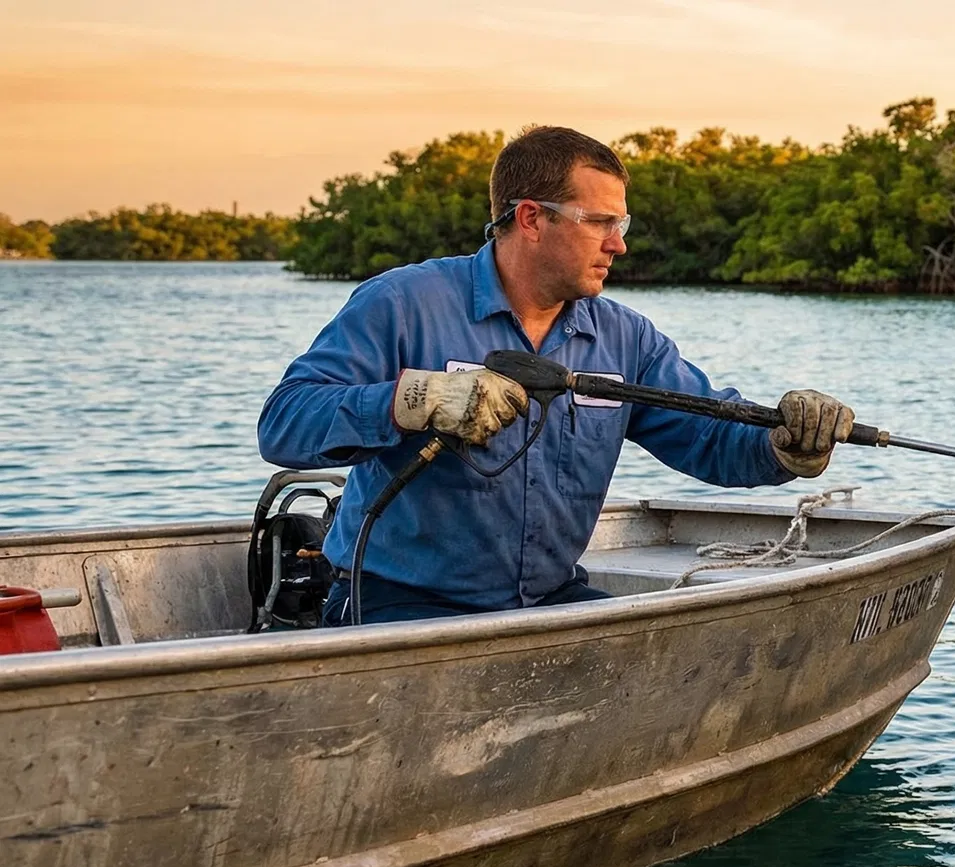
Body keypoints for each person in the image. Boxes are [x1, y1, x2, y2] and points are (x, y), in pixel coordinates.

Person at [258, 125, 853, 625]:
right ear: (531, 219)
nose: (618, 245)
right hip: (396, 602)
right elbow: (284, 423)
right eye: (600, 222)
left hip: (549, 600)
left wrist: (784, 443)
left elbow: (709, 436)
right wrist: (414, 399)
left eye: (623, 224)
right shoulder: (401, 303)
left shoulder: (626, 338)